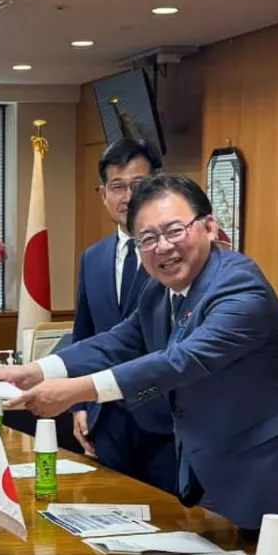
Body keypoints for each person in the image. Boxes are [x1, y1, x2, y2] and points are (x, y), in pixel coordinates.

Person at [0, 174, 278, 555]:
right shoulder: (160, 290)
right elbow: (121, 341)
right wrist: (35, 372)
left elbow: (182, 361)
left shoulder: (240, 286)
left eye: (174, 230)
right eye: (147, 239)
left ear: (209, 227)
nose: (162, 247)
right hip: (225, 474)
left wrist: (77, 392)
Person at [70, 138, 175, 491]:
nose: (127, 197)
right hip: (106, 419)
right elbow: (84, 337)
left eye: (139, 186)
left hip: (164, 421)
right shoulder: (92, 258)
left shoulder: (173, 255)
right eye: (117, 186)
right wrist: (79, 404)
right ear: (103, 193)